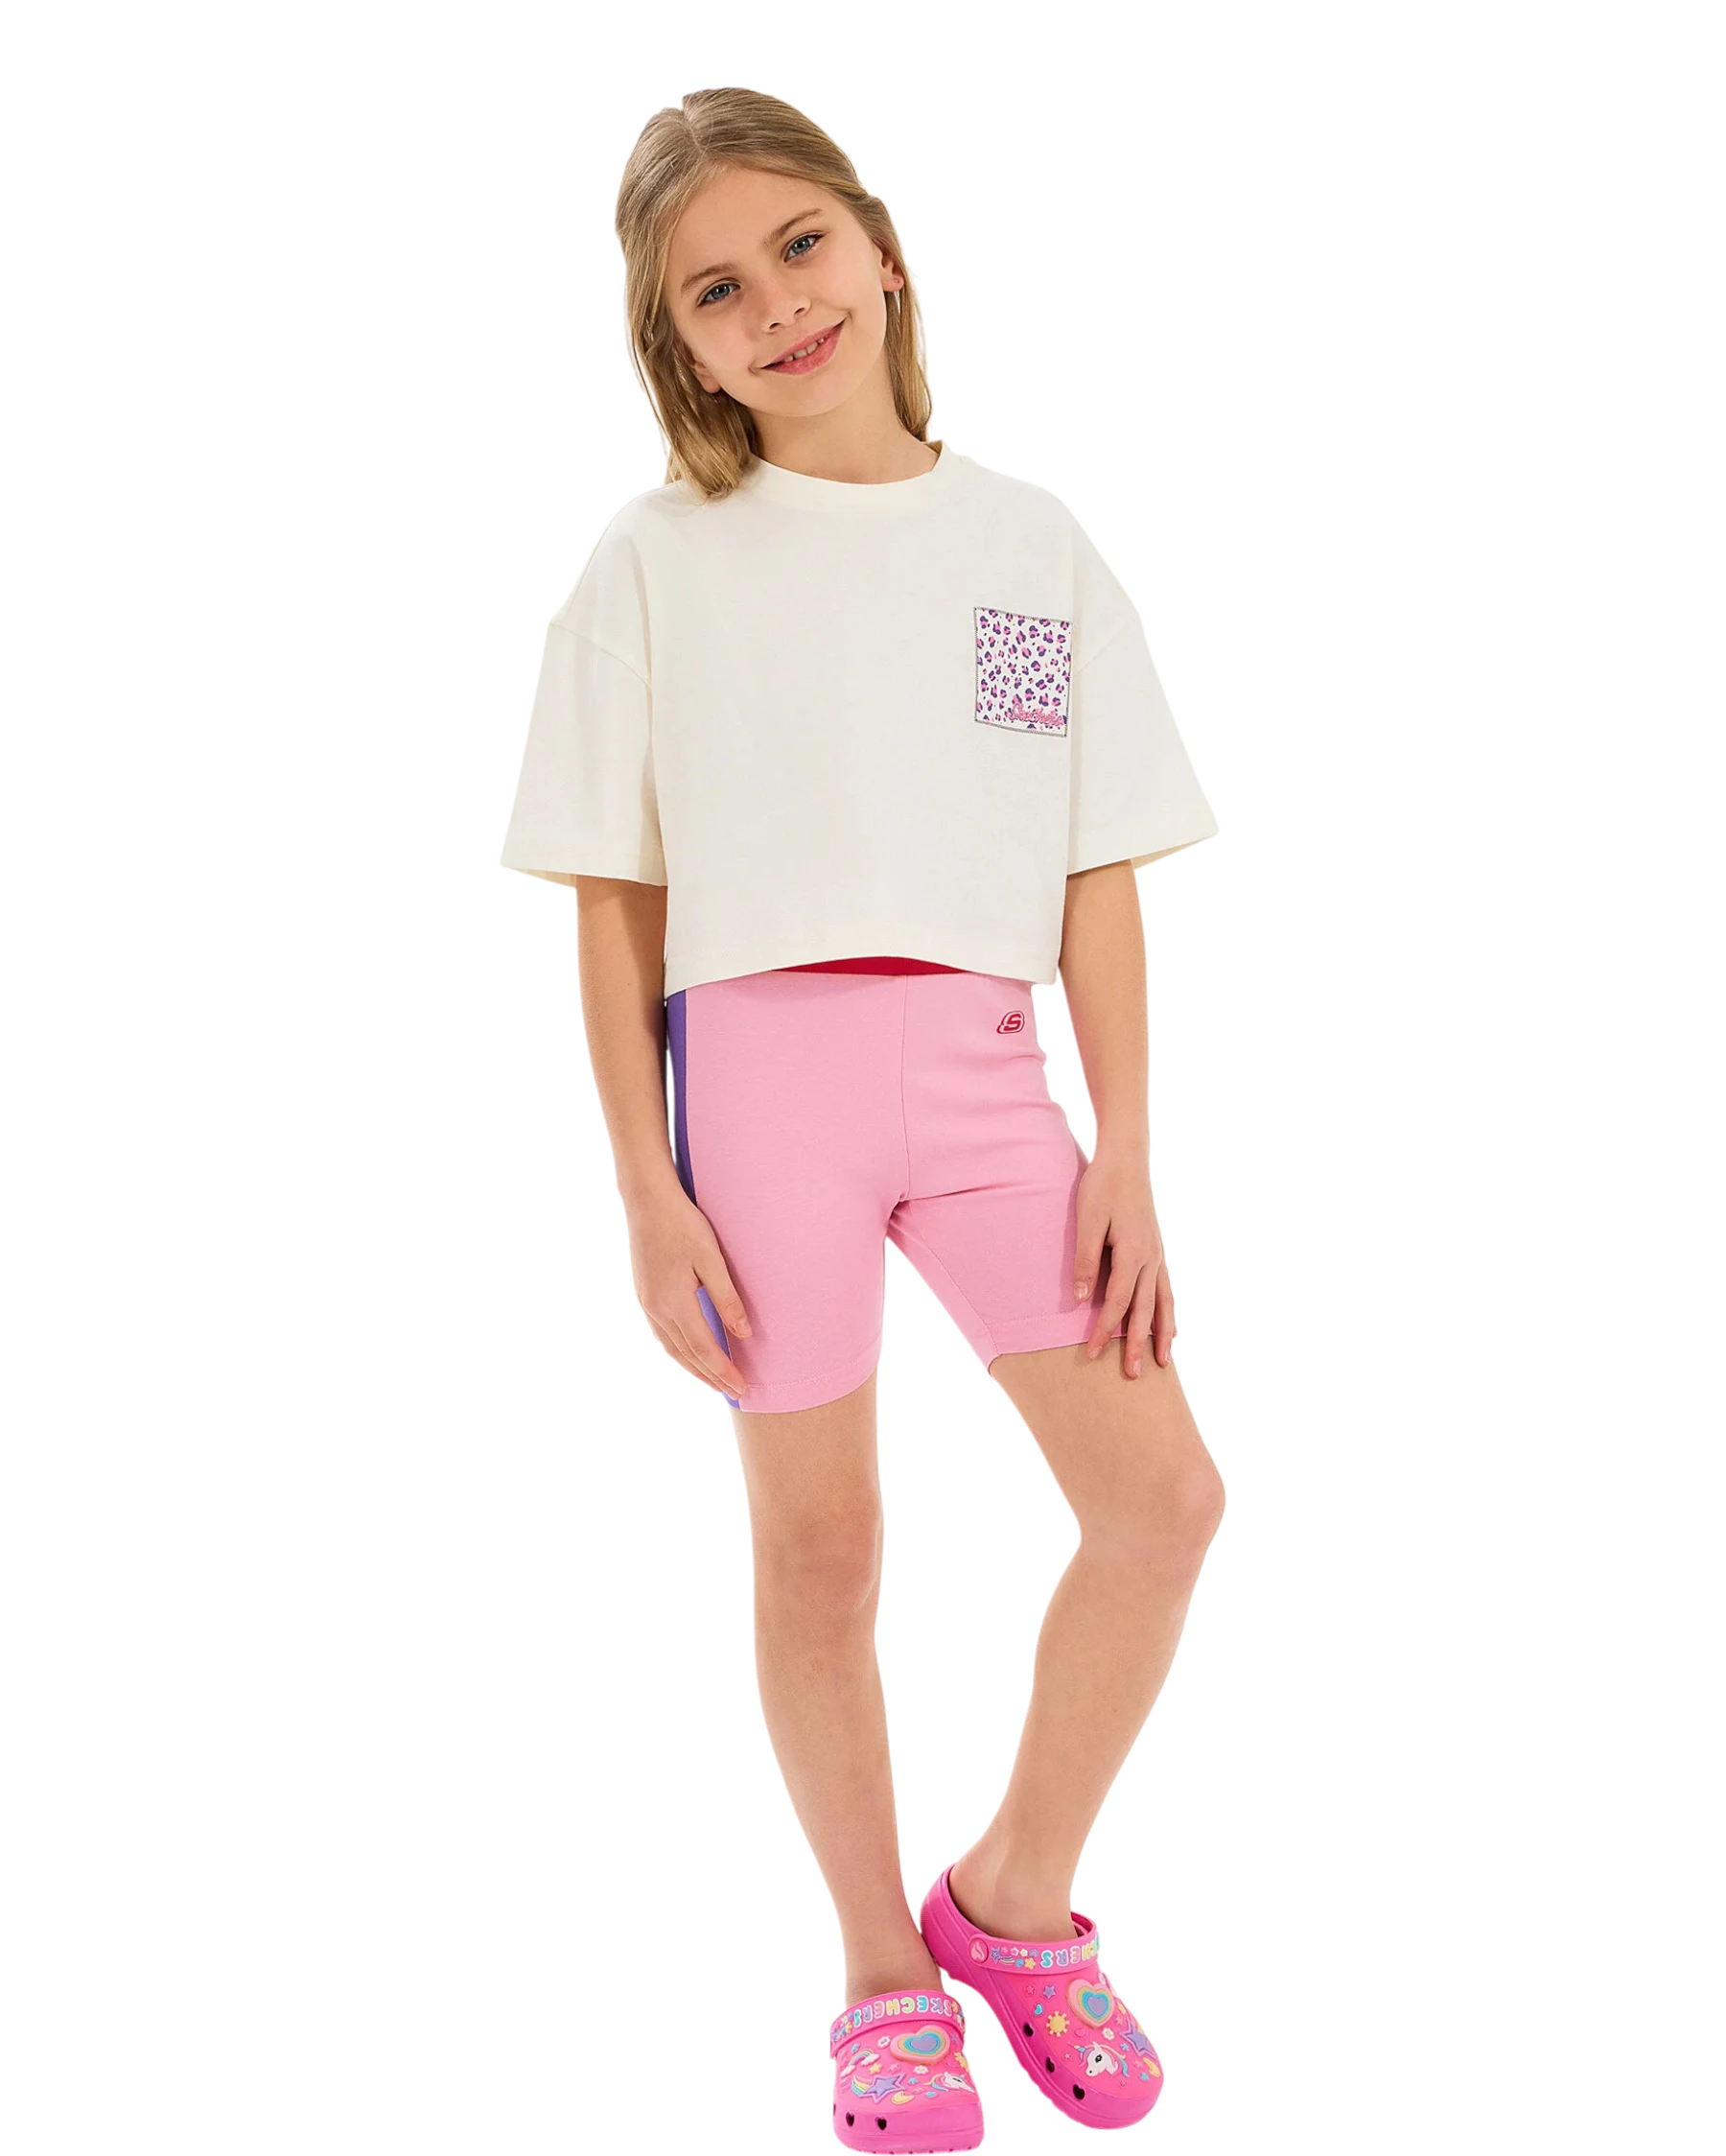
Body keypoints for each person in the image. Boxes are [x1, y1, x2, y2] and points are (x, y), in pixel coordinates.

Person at [500, 86, 1228, 2152]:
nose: (776, 307)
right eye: (714, 293)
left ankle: (1014, 1902)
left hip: (991, 1080)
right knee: (820, 1549)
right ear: (679, 346)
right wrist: (647, 1186)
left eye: (797, 248)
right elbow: (614, 899)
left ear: (884, 249)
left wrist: (1127, 1154)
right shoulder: (657, 559)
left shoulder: (1033, 548)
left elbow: (1098, 877)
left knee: (1164, 1500)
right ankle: (883, 1974)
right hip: (760, 1091)